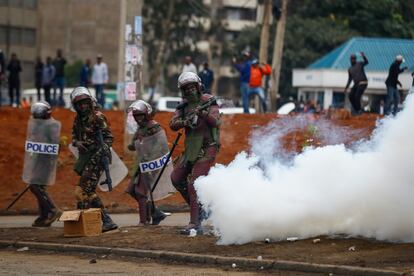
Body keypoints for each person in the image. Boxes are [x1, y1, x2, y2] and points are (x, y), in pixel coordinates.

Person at [170, 72, 221, 235]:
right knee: (176, 178)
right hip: (191, 147)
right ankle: (201, 209)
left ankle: (195, 223)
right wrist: (185, 122)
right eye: (187, 88)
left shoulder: (209, 101)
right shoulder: (183, 106)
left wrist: (202, 114)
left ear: (199, 86)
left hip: (207, 147)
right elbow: (172, 124)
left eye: (193, 86)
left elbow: (216, 121)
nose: (190, 90)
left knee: (194, 184)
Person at [70, 87, 117, 232]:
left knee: (84, 190)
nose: (83, 106)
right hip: (85, 157)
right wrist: (77, 143)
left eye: (85, 103)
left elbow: (109, 137)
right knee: (84, 191)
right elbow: (74, 137)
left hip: (97, 157)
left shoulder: (97, 117)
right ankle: (91, 222)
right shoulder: (78, 119)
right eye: (79, 104)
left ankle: (105, 220)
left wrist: (102, 149)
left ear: (90, 103)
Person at [125, 100, 173, 226]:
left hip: (151, 165)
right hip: (141, 164)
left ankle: (143, 222)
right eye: (136, 116)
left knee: (141, 192)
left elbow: (160, 147)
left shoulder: (154, 127)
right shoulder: (141, 128)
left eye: (140, 115)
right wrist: (134, 145)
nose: (138, 118)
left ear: (147, 114)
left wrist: (150, 156)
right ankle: (155, 213)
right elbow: (134, 144)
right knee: (131, 190)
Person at [25, 101, 62, 227]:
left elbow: (56, 144)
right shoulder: (40, 125)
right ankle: (44, 215)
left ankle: (52, 210)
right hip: (38, 159)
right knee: (37, 186)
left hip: (46, 160)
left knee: (35, 186)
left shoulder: (51, 126)